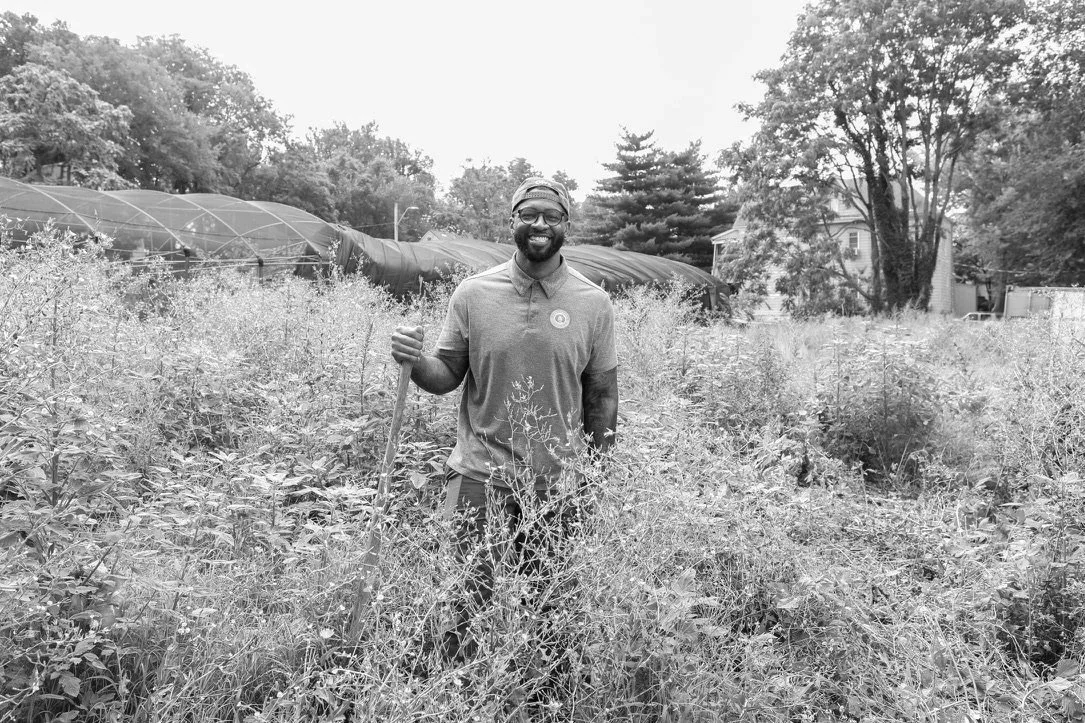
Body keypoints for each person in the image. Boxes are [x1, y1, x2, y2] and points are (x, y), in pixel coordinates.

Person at [389, 176, 619, 667]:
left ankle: (546, 700)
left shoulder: (593, 303)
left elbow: (601, 396)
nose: (539, 224)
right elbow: (447, 372)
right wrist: (415, 360)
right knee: (461, 601)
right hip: (478, 474)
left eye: (550, 216)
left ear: (565, 225)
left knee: (554, 609)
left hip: (558, 482)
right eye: (528, 214)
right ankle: (455, 692)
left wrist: (596, 475)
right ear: (513, 221)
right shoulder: (473, 294)